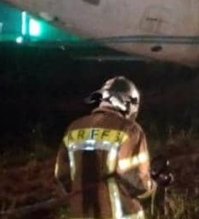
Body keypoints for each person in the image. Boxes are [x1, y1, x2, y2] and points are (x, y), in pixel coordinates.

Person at [55, 76, 163, 219]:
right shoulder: (129, 129)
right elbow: (137, 182)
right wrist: (152, 185)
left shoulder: (73, 129)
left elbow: (62, 175)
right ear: (127, 102)